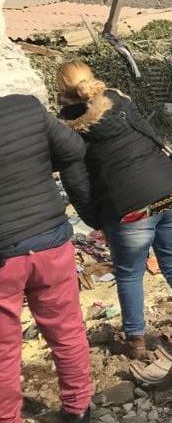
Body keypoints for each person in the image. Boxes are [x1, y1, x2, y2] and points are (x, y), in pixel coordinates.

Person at [56, 62, 172, 362]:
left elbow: (76, 185)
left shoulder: (68, 131)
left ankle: (136, 344)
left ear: (62, 93)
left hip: (130, 209)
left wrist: (97, 220)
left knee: (129, 275)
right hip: (170, 192)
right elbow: (152, 137)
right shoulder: (120, 100)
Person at [0, 94, 93, 422]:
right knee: (66, 330)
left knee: (3, 350)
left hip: (3, 258)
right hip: (50, 243)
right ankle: (79, 408)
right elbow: (74, 149)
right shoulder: (26, 107)